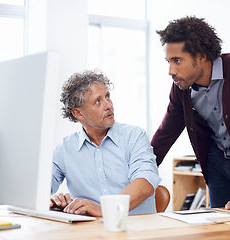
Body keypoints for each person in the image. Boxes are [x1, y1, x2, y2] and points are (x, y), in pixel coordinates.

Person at [151, 16, 230, 213]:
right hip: (217, 164)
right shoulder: (181, 88)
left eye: (177, 61)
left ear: (200, 56)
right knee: (219, 229)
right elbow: (165, 134)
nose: (171, 71)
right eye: (168, 61)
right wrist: (139, 171)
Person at [50, 69, 161, 217]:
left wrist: (106, 210)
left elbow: (145, 182)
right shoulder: (64, 149)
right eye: (98, 101)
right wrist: (51, 199)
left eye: (107, 97)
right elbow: (37, 191)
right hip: (90, 232)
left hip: (136, 230)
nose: (108, 105)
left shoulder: (134, 136)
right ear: (78, 113)